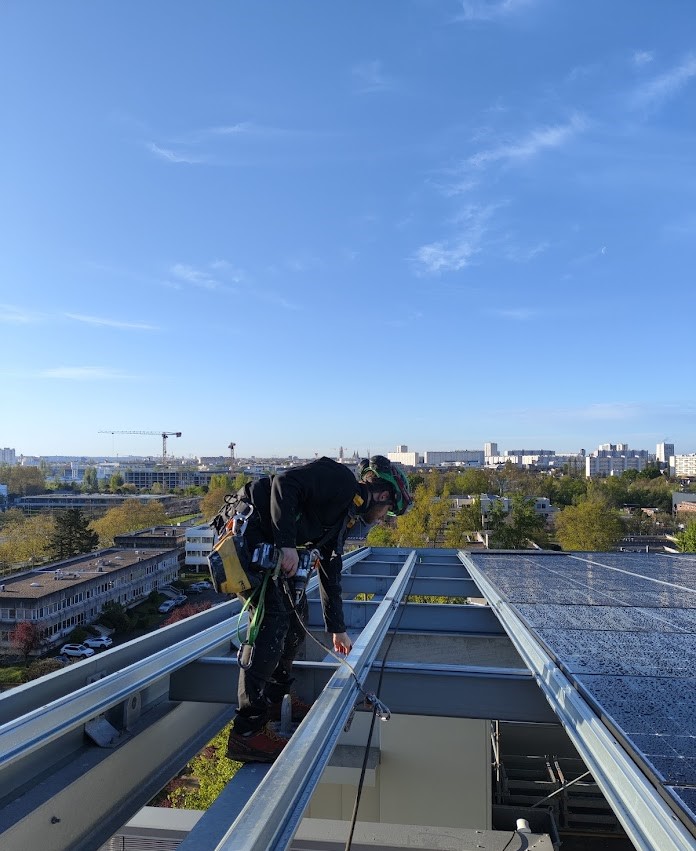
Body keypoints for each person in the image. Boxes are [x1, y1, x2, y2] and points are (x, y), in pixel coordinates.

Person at [224, 454, 412, 763]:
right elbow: (285, 483)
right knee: (273, 623)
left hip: (262, 544)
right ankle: (247, 732)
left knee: (297, 622)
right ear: (381, 494)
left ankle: (275, 698)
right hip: (246, 535)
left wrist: (336, 627)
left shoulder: (342, 519)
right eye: (387, 509)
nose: (383, 518)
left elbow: (330, 570)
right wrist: (286, 545)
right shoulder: (339, 480)